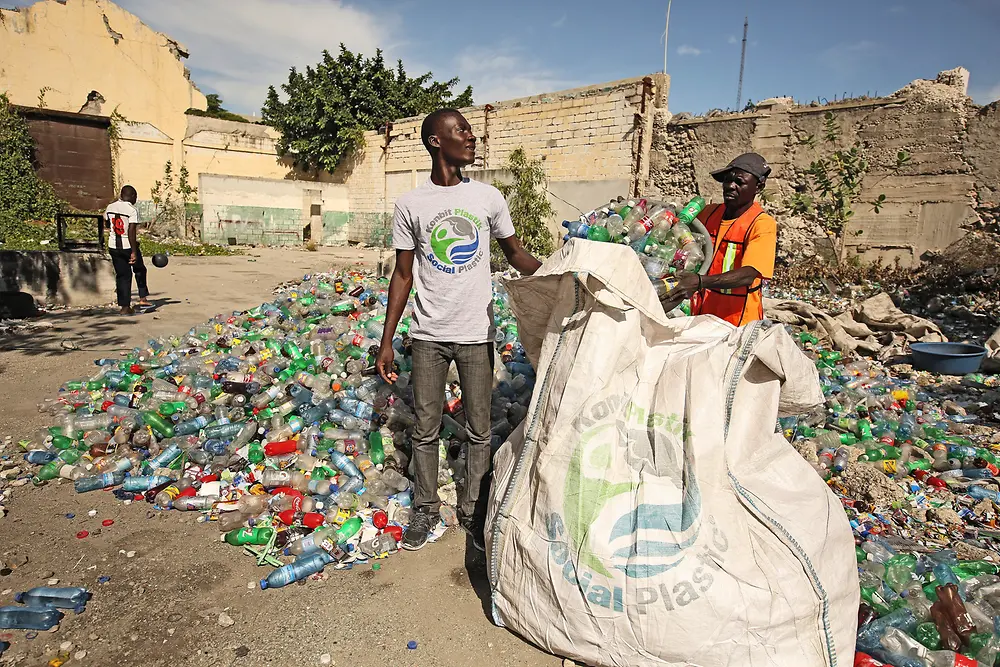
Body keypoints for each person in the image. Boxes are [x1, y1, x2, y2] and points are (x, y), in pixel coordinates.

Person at [375, 108, 542, 552]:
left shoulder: (488, 198)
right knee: (426, 428)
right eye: (461, 131)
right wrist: (387, 339)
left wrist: (562, 272)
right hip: (428, 334)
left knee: (479, 428)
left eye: (469, 130)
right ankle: (426, 508)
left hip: (476, 333)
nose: (471, 137)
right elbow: (403, 275)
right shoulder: (411, 204)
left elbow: (516, 256)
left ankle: (474, 508)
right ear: (435, 141)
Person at [664, 152, 776, 326]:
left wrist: (700, 282)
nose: (730, 186)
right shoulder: (708, 214)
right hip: (700, 316)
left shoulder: (761, 224)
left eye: (739, 182)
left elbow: (748, 274)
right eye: (727, 180)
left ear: (759, 187)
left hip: (736, 322)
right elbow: (674, 224)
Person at [104, 184, 151, 315]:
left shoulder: (110, 207)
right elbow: (131, 231)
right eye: (135, 196)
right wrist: (134, 252)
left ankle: (124, 307)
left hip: (113, 245)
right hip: (127, 246)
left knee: (122, 276)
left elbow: (106, 222)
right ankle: (142, 297)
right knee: (139, 268)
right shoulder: (131, 210)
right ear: (132, 196)